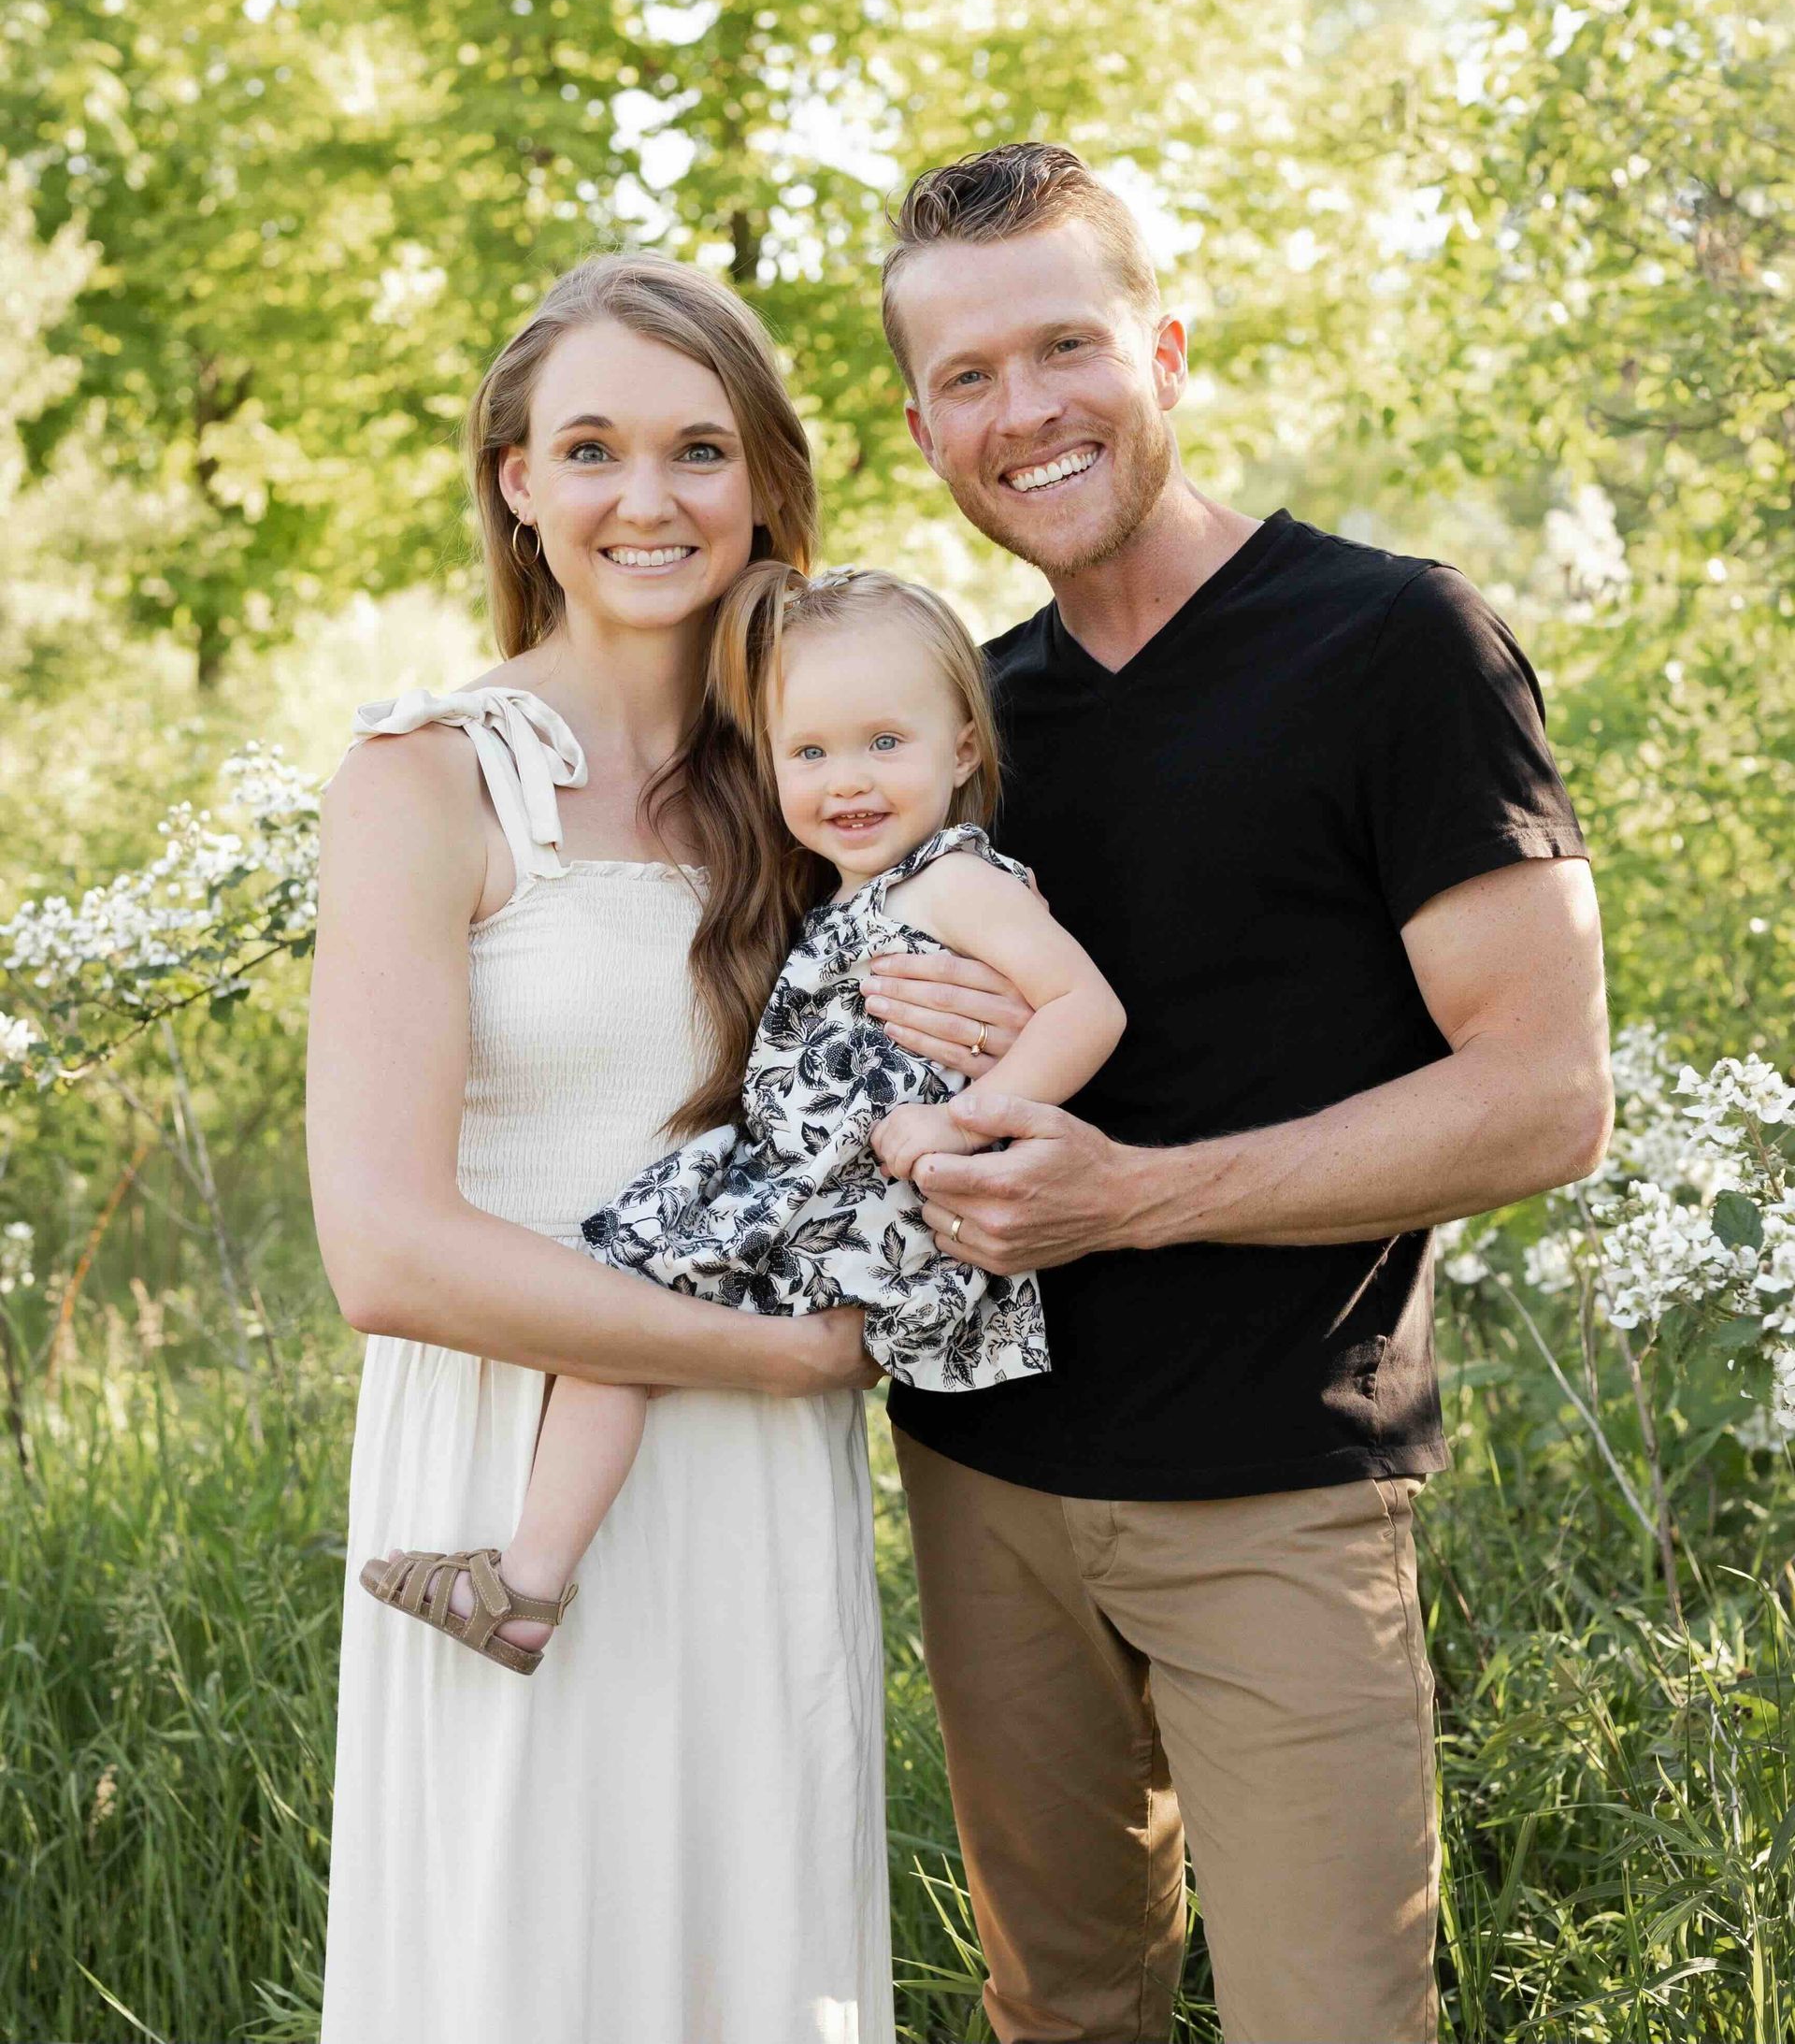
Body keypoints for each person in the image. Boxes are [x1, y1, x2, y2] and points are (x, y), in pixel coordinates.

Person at [858, 144, 1615, 2044]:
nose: (1023, 410)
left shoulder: (1391, 645)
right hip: (983, 1484)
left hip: (1279, 1498)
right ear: (925, 420)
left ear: (1167, 351)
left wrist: (1139, 1193)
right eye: (965, 376)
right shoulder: (966, 727)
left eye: (1064, 346)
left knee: (1333, 2023)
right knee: (1063, 2016)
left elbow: (1544, 1098)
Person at [306, 253, 893, 2044]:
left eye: (699, 449)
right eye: (591, 449)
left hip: (753, 1500)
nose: (648, 498)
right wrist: (782, 1350)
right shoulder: (425, 782)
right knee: (519, 1969)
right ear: (519, 481)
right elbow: (384, 1254)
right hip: (504, 1474)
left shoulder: (828, 788)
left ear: (766, 481)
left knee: (750, 1951)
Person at [355, 561, 1124, 1671]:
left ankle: (523, 1583)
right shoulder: (860, 889)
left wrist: (968, 1123)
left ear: (963, 748)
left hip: (870, 1205)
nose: (845, 781)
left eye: (883, 745)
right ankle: (525, 1581)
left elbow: (1085, 1009)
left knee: (615, 1307)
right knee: (619, 1316)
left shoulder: (953, 882)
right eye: (806, 754)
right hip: (822, 1189)